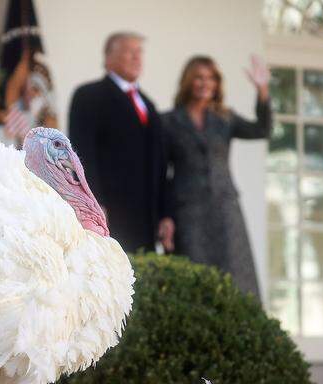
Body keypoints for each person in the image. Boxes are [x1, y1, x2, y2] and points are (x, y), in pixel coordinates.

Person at [162, 55, 272, 296]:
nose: (205, 83)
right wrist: (166, 216)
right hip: (188, 212)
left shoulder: (225, 118)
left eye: (211, 78)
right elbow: (163, 174)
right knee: (194, 278)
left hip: (225, 208)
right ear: (188, 81)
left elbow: (262, 130)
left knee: (236, 277)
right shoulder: (168, 121)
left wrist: (262, 89)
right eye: (199, 77)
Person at [68, 32, 173, 253]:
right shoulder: (89, 96)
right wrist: (93, 204)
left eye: (139, 52)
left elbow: (160, 164)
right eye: (129, 51)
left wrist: (164, 213)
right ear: (108, 58)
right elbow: (82, 154)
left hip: (146, 219)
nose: (137, 58)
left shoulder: (149, 104)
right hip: (110, 214)